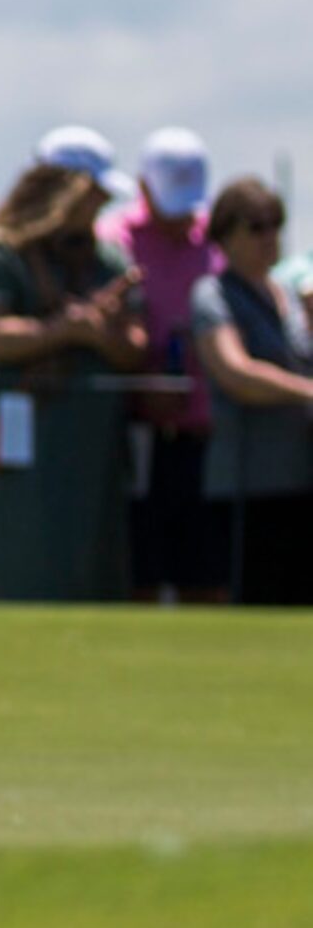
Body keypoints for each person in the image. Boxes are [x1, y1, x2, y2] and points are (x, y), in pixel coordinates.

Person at [0, 128, 146, 603]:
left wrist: (103, 332)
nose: (100, 205)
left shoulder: (107, 257)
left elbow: (136, 346)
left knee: (99, 562)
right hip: (29, 434)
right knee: (31, 552)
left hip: (97, 441)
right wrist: (68, 330)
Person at [107, 129, 227, 605]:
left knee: (205, 576)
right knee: (141, 572)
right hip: (137, 436)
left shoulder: (212, 244)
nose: (183, 218)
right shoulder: (114, 242)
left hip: (202, 434)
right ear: (143, 189)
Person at [186, 177, 313, 606]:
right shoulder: (213, 294)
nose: (269, 237)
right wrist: (308, 392)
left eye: (274, 225)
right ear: (225, 235)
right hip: (249, 485)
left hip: (301, 478)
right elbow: (235, 372)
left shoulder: (292, 297)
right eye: (255, 227)